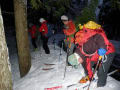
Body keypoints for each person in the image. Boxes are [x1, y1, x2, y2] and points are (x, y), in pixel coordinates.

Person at [68, 21, 115, 87]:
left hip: (108, 51)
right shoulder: (81, 57)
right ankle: (92, 79)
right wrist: (90, 78)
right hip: (96, 53)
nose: (79, 64)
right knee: (88, 65)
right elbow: (87, 67)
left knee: (101, 72)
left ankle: (100, 85)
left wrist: (102, 47)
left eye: (77, 63)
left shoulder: (86, 47)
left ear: (78, 59)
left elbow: (98, 36)